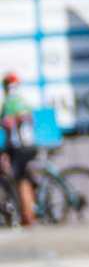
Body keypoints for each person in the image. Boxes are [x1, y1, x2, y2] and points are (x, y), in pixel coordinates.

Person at [1, 74, 35, 227]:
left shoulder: (8, 104)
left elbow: (8, 128)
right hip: (30, 145)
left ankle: (27, 217)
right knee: (25, 177)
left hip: (19, 148)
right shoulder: (23, 101)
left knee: (19, 180)